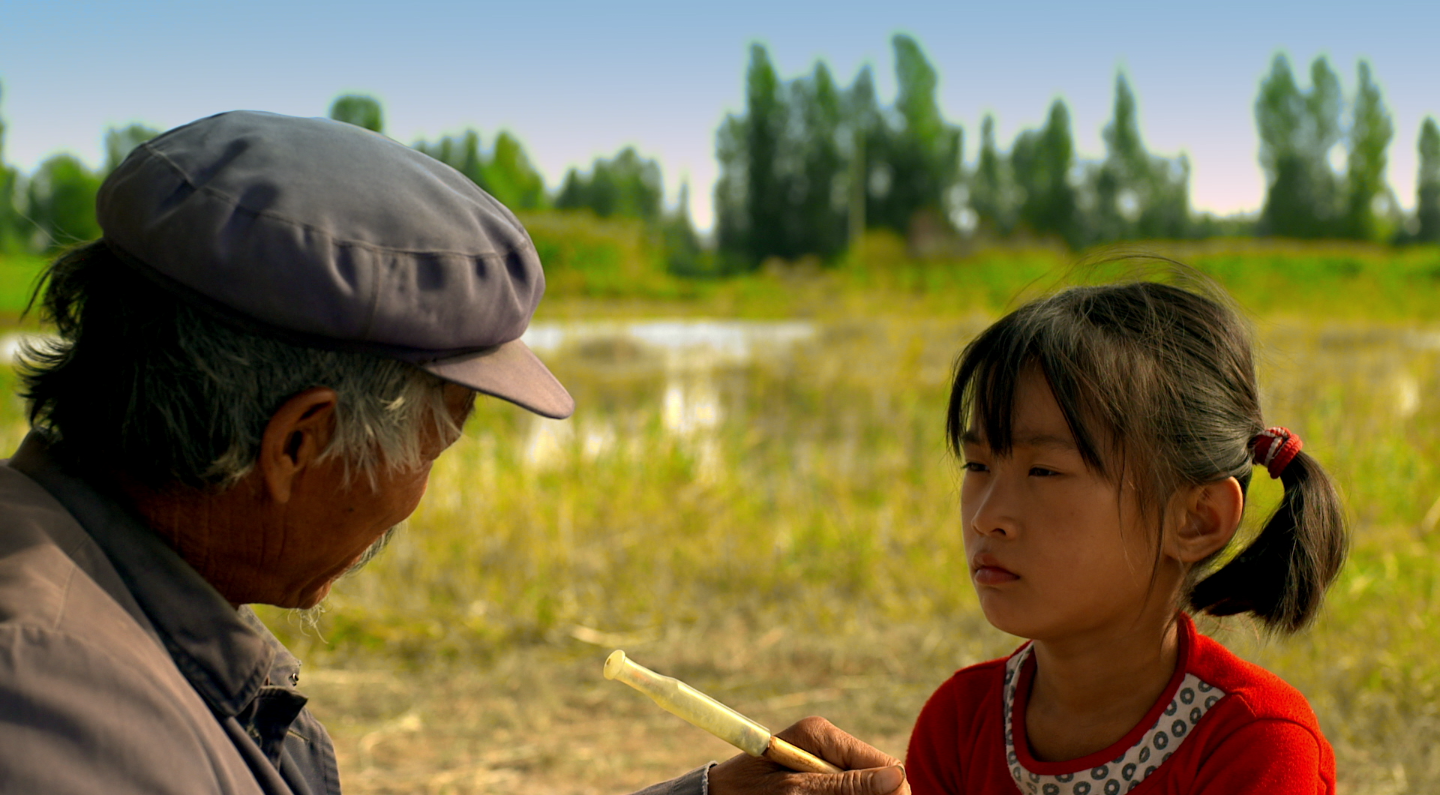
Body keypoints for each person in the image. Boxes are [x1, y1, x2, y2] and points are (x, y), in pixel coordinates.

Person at [0, 110, 908, 795]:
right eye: (444, 436)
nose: (420, 495)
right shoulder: (57, 712)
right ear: (298, 441)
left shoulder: (86, 588)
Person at [905, 277, 1347, 794]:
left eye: (1043, 471)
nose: (986, 517)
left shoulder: (1256, 743)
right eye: (977, 464)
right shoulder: (960, 723)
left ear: (1197, 519)